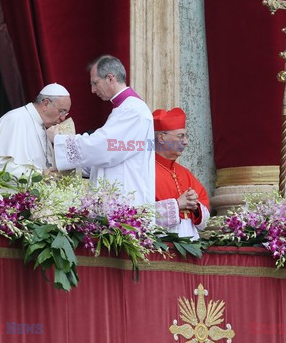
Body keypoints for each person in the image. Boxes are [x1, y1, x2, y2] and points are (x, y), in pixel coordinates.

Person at [47, 55, 155, 205]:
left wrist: (60, 140)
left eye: (95, 83)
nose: (92, 90)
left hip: (126, 199)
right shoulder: (125, 109)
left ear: (111, 78)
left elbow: (103, 146)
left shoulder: (132, 111)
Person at [0, 83, 72, 177]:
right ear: (45, 104)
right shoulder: (14, 119)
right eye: (61, 111)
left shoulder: (46, 127)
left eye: (65, 113)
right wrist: (40, 175)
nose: (63, 118)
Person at [153, 107, 210, 240]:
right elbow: (138, 215)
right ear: (161, 137)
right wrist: (177, 204)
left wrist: (196, 207)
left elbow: (205, 215)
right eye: (180, 136)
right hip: (161, 244)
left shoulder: (185, 173)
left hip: (191, 243)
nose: (185, 142)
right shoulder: (144, 170)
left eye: (185, 136)